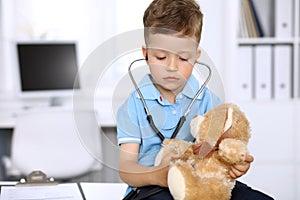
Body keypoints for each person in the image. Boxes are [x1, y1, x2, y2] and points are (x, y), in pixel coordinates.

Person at [117, 0, 274, 199]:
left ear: (196, 56)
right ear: (146, 54)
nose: (172, 66)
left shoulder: (207, 100)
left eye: (183, 58)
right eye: (161, 57)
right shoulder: (134, 105)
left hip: (204, 182)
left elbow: (223, 149)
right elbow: (126, 169)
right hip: (151, 188)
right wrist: (158, 175)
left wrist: (235, 165)